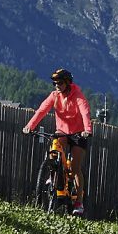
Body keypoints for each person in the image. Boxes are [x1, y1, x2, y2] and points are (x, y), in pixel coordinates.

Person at [22, 68, 92, 215]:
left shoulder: (77, 95)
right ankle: (53, 175)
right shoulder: (54, 96)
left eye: (59, 83)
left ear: (67, 83)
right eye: (54, 83)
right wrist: (29, 126)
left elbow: (85, 112)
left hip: (79, 133)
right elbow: (41, 111)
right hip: (62, 131)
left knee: (75, 168)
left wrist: (87, 130)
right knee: (54, 148)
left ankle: (79, 202)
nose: (56, 85)